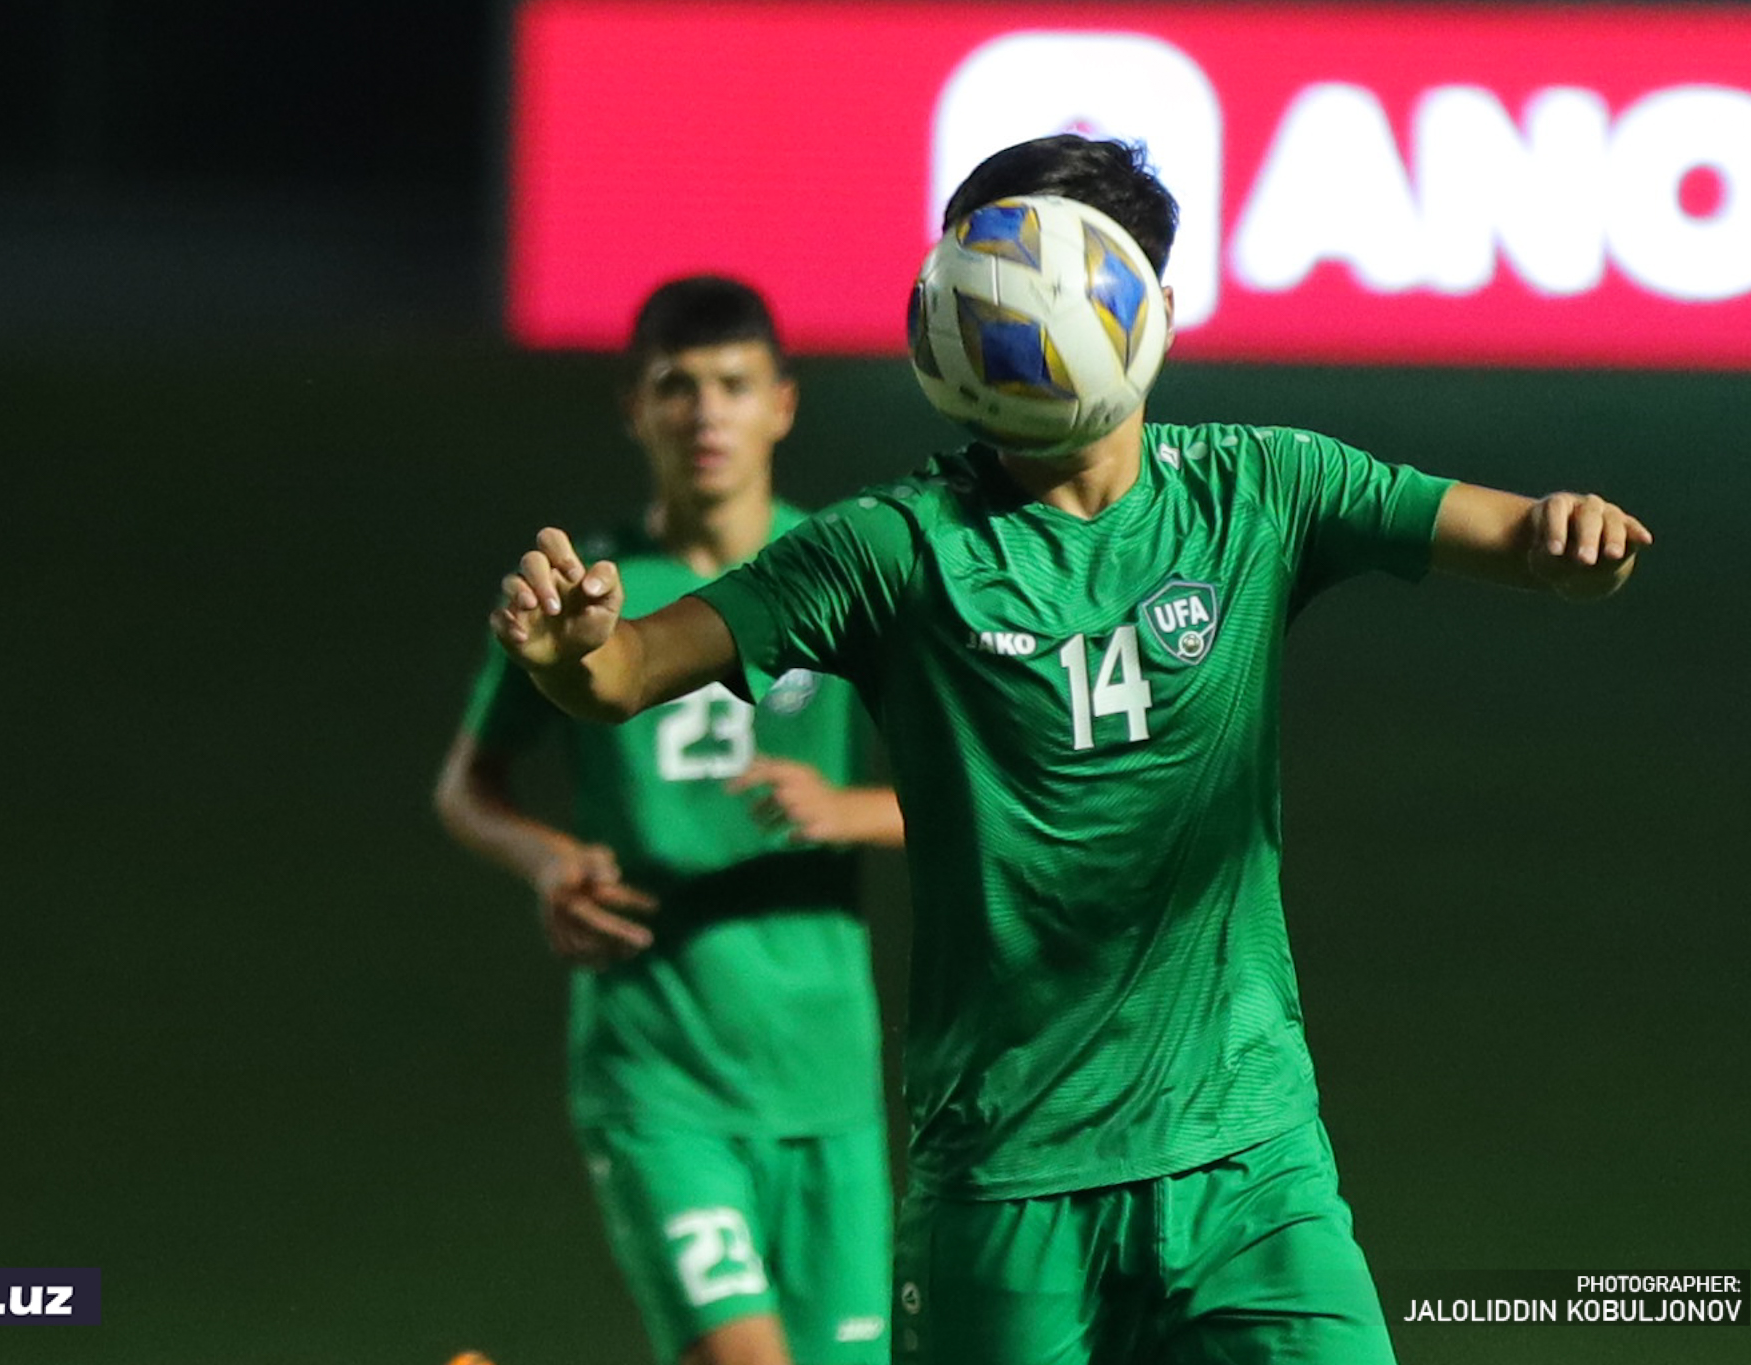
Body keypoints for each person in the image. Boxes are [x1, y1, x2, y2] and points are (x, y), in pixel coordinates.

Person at [484, 137, 1655, 1365]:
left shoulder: (1260, 490)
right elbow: (625, 675)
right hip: (1006, 1184)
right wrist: (571, 649)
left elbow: (1514, 532)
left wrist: (1568, 537)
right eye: (981, 284)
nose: (1007, 313)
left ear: (1139, 303)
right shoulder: (889, 550)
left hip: (1248, 1164)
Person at [436, 276, 903, 1365]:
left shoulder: (839, 574)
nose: (705, 415)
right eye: (676, 388)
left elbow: (996, 787)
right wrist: (548, 860)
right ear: (632, 409)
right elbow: (467, 785)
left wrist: (855, 811)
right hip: (659, 1068)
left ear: (782, 405)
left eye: (733, 387)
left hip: (824, 1071)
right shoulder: (593, 594)